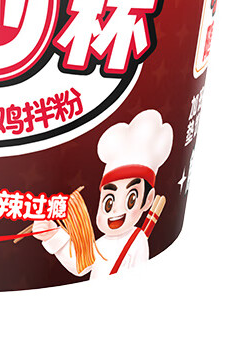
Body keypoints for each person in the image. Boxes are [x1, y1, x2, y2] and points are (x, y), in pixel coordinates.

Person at [34, 109, 173, 277]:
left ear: (148, 200)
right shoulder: (102, 244)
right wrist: (52, 234)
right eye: (109, 202)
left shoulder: (138, 239)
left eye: (131, 199)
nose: (115, 210)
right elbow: (80, 264)